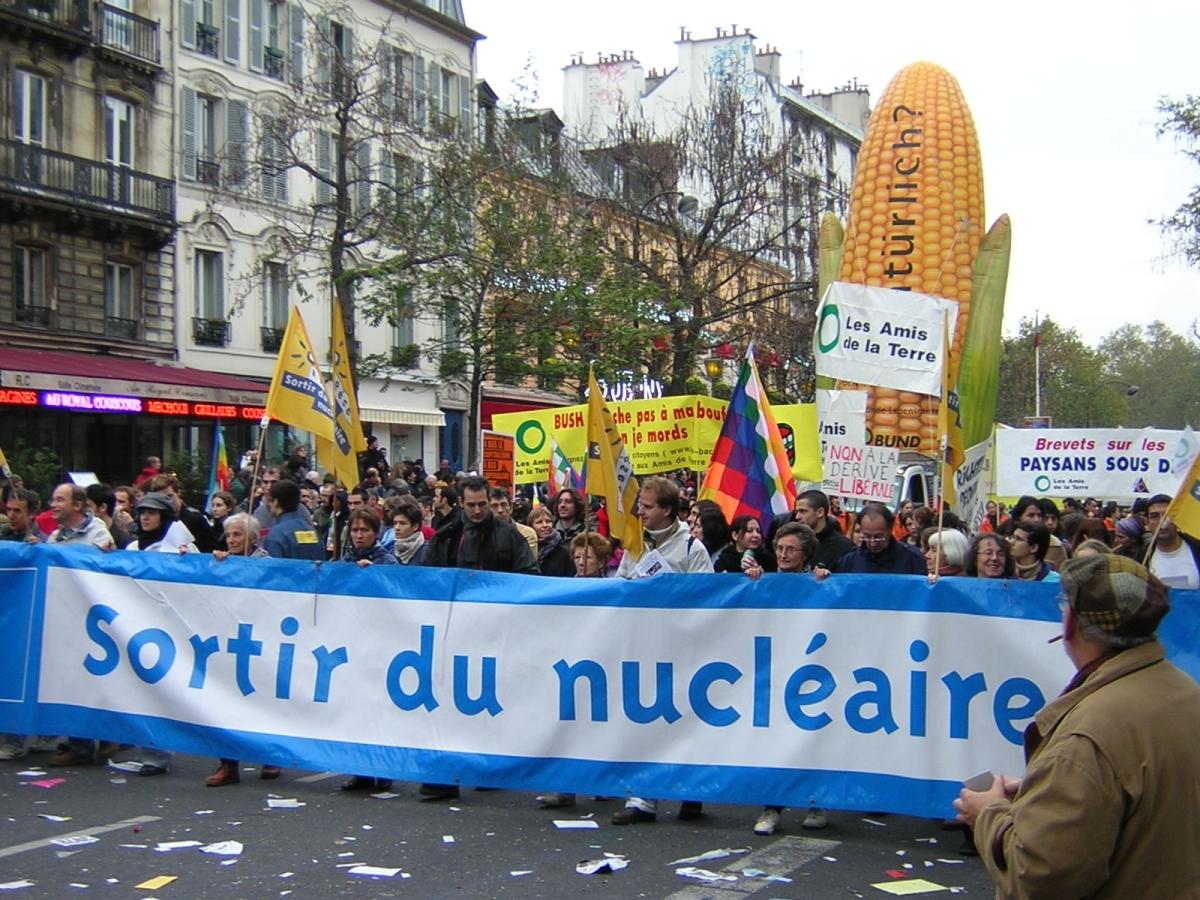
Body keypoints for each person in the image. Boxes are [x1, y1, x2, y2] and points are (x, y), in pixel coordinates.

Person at [954, 555, 1200, 898]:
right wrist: (1045, 789)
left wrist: (988, 814)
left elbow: (1040, 876)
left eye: (1063, 604)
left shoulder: (1088, 734)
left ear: (1071, 622)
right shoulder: (1186, 691)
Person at [419, 475, 537, 801]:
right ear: (460, 503)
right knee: (449, 705)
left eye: (482, 504)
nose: (477, 510)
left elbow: (530, 576)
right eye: (471, 505)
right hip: (454, 633)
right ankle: (445, 776)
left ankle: (488, 767)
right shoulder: (447, 536)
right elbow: (425, 579)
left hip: (495, 633)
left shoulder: (508, 535)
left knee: (490, 704)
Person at [613, 476, 712, 825]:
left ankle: (691, 789)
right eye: (639, 505)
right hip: (643, 647)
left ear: (667, 510)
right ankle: (643, 797)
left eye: (647, 506)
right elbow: (619, 588)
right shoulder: (634, 545)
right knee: (643, 721)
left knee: (685, 720)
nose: (640, 511)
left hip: (682, 650)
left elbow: (708, 597)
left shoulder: (692, 549)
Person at [747, 521, 826, 835]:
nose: (783, 554)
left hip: (809, 671)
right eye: (779, 548)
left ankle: (816, 802)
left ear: (805, 553)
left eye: (791, 549)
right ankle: (772, 809)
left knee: (810, 738)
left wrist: (825, 581)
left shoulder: (818, 581)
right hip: (774, 672)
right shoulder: (765, 580)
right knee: (774, 742)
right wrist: (753, 581)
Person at [821, 503, 926, 575]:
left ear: (890, 529)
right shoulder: (849, 560)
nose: (873, 543)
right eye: (867, 536)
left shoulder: (912, 558)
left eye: (878, 537)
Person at [783, 490, 856, 569]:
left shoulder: (844, 547)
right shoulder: (794, 541)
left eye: (802, 511)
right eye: (796, 512)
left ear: (820, 512)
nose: (797, 517)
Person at [147, 473, 217, 553]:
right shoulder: (157, 521)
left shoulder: (196, 519)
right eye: (161, 498)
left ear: (178, 493)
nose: (166, 501)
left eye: (169, 496)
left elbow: (211, 551)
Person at [1144, 493, 1200, 589]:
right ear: (1147, 522)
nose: (1162, 522)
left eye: (1167, 515)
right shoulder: (1142, 556)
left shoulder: (1197, 549)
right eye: (1154, 516)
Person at [262, 480, 324, 561]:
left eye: (270, 500)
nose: (269, 505)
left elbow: (273, 566)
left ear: (276, 502)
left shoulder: (276, 534)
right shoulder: (312, 531)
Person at [46, 483, 116, 550]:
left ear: (77, 505)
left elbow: (99, 558)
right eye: (52, 500)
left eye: (59, 500)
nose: (53, 505)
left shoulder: (98, 534)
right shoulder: (55, 537)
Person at [527, 507, 575, 577]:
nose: (545, 525)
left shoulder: (564, 552)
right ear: (531, 526)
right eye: (539, 522)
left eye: (548, 521)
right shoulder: (525, 550)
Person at [490, 488, 537, 555]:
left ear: (511, 508)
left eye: (503, 505)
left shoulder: (526, 534)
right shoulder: (481, 534)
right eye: (494, 506)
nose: (500, 510)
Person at [390, 499, 428, 565]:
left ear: (415, 526)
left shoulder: (428, 551)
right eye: (395, 523)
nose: (397, 527)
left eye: (402, 523)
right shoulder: (391, 551)